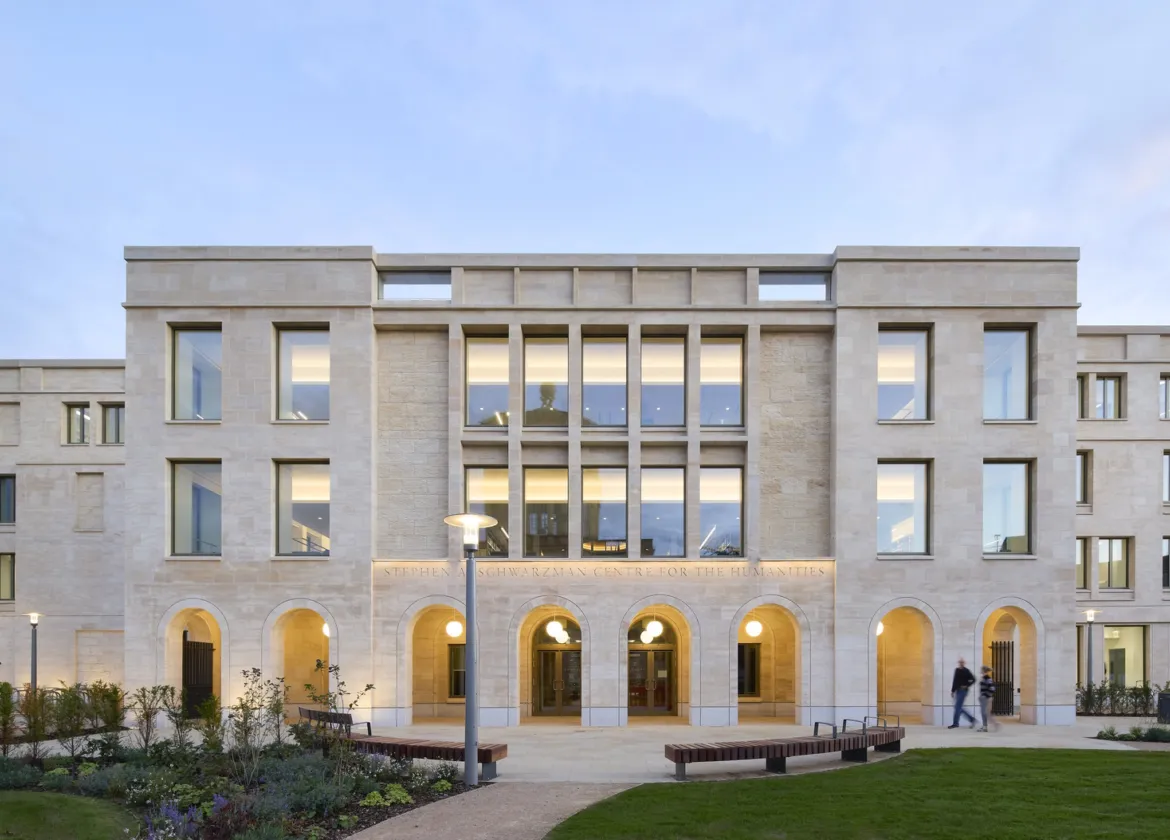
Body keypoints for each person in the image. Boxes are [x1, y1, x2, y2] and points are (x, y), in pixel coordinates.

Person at [948, 657, 977, 729]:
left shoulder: (967, 671)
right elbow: (955, 681)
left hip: (963, 691)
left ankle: (955, 723)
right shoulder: (957, 670)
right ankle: (972, 719)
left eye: (962, 662)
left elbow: (973, 679)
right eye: (960, 662)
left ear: (964, 663)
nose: (961, 663)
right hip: (957, 690)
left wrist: (967, 685)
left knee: (958, 707)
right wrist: (952, 690)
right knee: (958, 707)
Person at [978, 665, 999, 732]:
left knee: (984, 713)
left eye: (981, 670)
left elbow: (992, 688)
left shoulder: (987, 678)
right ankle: (986, 726)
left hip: (985, 698)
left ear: (983, 670)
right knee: (985, 713)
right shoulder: (984, 678)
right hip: (984, 698)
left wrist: (985, 696)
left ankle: (989, 726)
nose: (980, 671)